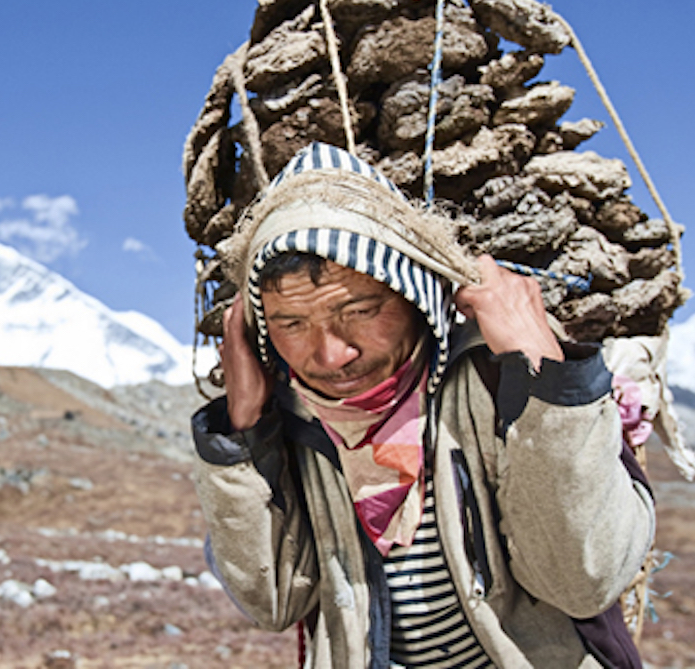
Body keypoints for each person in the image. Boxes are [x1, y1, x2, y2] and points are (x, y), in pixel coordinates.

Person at [191, 142, 655, 668]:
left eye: (361, 309)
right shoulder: (293, 426)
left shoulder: (494, 382)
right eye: (291, 324)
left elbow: (581, 582)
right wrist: (242, 428)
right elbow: (272, 602)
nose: (331, 354)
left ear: (413, 294)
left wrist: (549, 383)